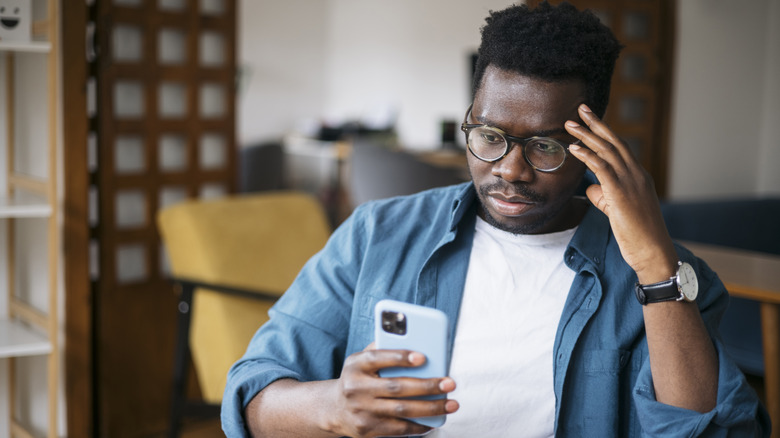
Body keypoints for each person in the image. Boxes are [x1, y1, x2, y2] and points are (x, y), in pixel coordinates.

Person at [222, 2, 770, 437]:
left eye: (545, 147)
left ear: (593, 146)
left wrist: (654, 265)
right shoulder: (378, 236)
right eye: (489, 137)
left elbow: (720, 432)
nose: (510, 170)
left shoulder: (668, 281)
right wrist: (332, 406)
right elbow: (251, 396)